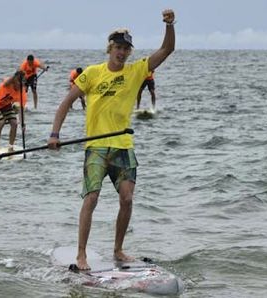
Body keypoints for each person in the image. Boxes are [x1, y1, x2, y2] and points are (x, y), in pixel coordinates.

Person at [47, 9, 176, 270]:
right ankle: (81, 254)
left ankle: (118, 250)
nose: (122, 52)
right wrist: (54, 134)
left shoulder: (136, 71)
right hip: (96, 147)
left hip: (123, 146)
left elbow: (167, 50)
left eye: (126, 48)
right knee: (91, 198)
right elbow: (66, 103)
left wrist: (170, 25)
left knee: (127, 199)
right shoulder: (92, 73)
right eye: (118, 47)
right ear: (109, 48)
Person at [0, 71, 26, 155]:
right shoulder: (8, 83)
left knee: (14, 123)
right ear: (14, 80)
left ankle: (10, 147)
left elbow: (21, 109)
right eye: (19, 81)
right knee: (1, 122)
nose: (20, 84)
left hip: (6, 105)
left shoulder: (22, 92)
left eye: (23, 82)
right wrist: (16, 75)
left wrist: (23, 123)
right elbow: (10, 80)